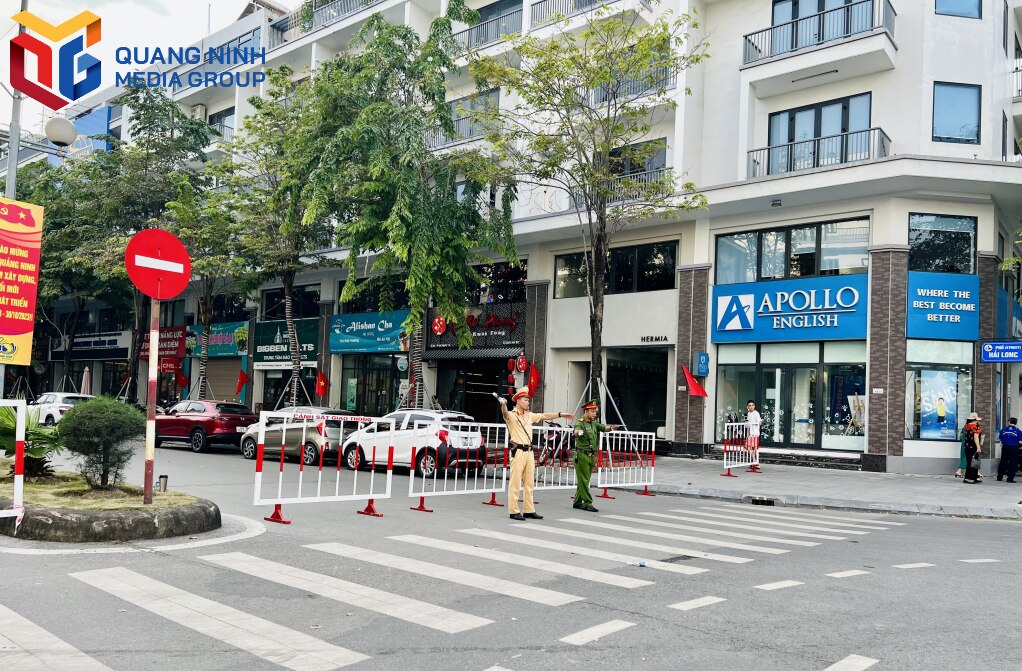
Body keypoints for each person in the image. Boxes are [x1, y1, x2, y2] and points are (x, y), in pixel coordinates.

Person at [498, 387, 575, 521]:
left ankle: (529, 510)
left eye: (528, 400)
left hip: (529, 452)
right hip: (518, 451)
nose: (528, 402)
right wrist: (503, 404)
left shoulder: (529, 415)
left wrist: (561, 414)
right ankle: (514, 511)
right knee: (515, 483)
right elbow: (505, 414)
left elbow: (544, 415)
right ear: (518, 401)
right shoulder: (512, 415)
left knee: (529, 483)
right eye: (525, 400)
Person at [572, 400, 620, 513]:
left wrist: (612, 428)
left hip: (591, 455)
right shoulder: (581, 422)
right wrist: (578, 433)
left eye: (595, 412)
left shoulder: (593, 423)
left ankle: (577, 502)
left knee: (585, 480)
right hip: (582, 454)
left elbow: (603, 428)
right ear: (586, 411)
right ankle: (588, 503)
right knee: (584, 480)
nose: (594, 414)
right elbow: (575, 431)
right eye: (592, 411)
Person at [997, 417, 1021, 483]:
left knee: (1003, 461)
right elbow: (1020, 442)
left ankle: (999, 477)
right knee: (1012, 463)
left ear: (1009, 422)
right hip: (1014, 448)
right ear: (1015, 423)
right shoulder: (1018, 431)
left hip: (1005, 447)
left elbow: (1001, 439)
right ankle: (1010, 479)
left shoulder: (1003, 430)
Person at [962, 412, 983, 484]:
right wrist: (978, 447)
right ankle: (969, 477)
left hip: (967, 446)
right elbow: (976, 437)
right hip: (973, 446)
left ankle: (973, 477)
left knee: (970, 462)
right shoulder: (975, 426)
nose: (978, 421)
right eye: (977, 419)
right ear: (974, 420)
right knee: (974, 462)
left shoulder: (966, 426)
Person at [746, 400, 762, 473]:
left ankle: (755, 462)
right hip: (751, 433)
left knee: (754, 448)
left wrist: (756, 423)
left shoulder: (756, 413)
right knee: (749, 447)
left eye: (752, 405)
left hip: (755, 433)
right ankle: (755, 461)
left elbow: (760, 422)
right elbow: (749, 423)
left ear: (754, 406)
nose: (751, 406)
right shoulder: (749, 413)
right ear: (747, 407)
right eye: (749, 405)